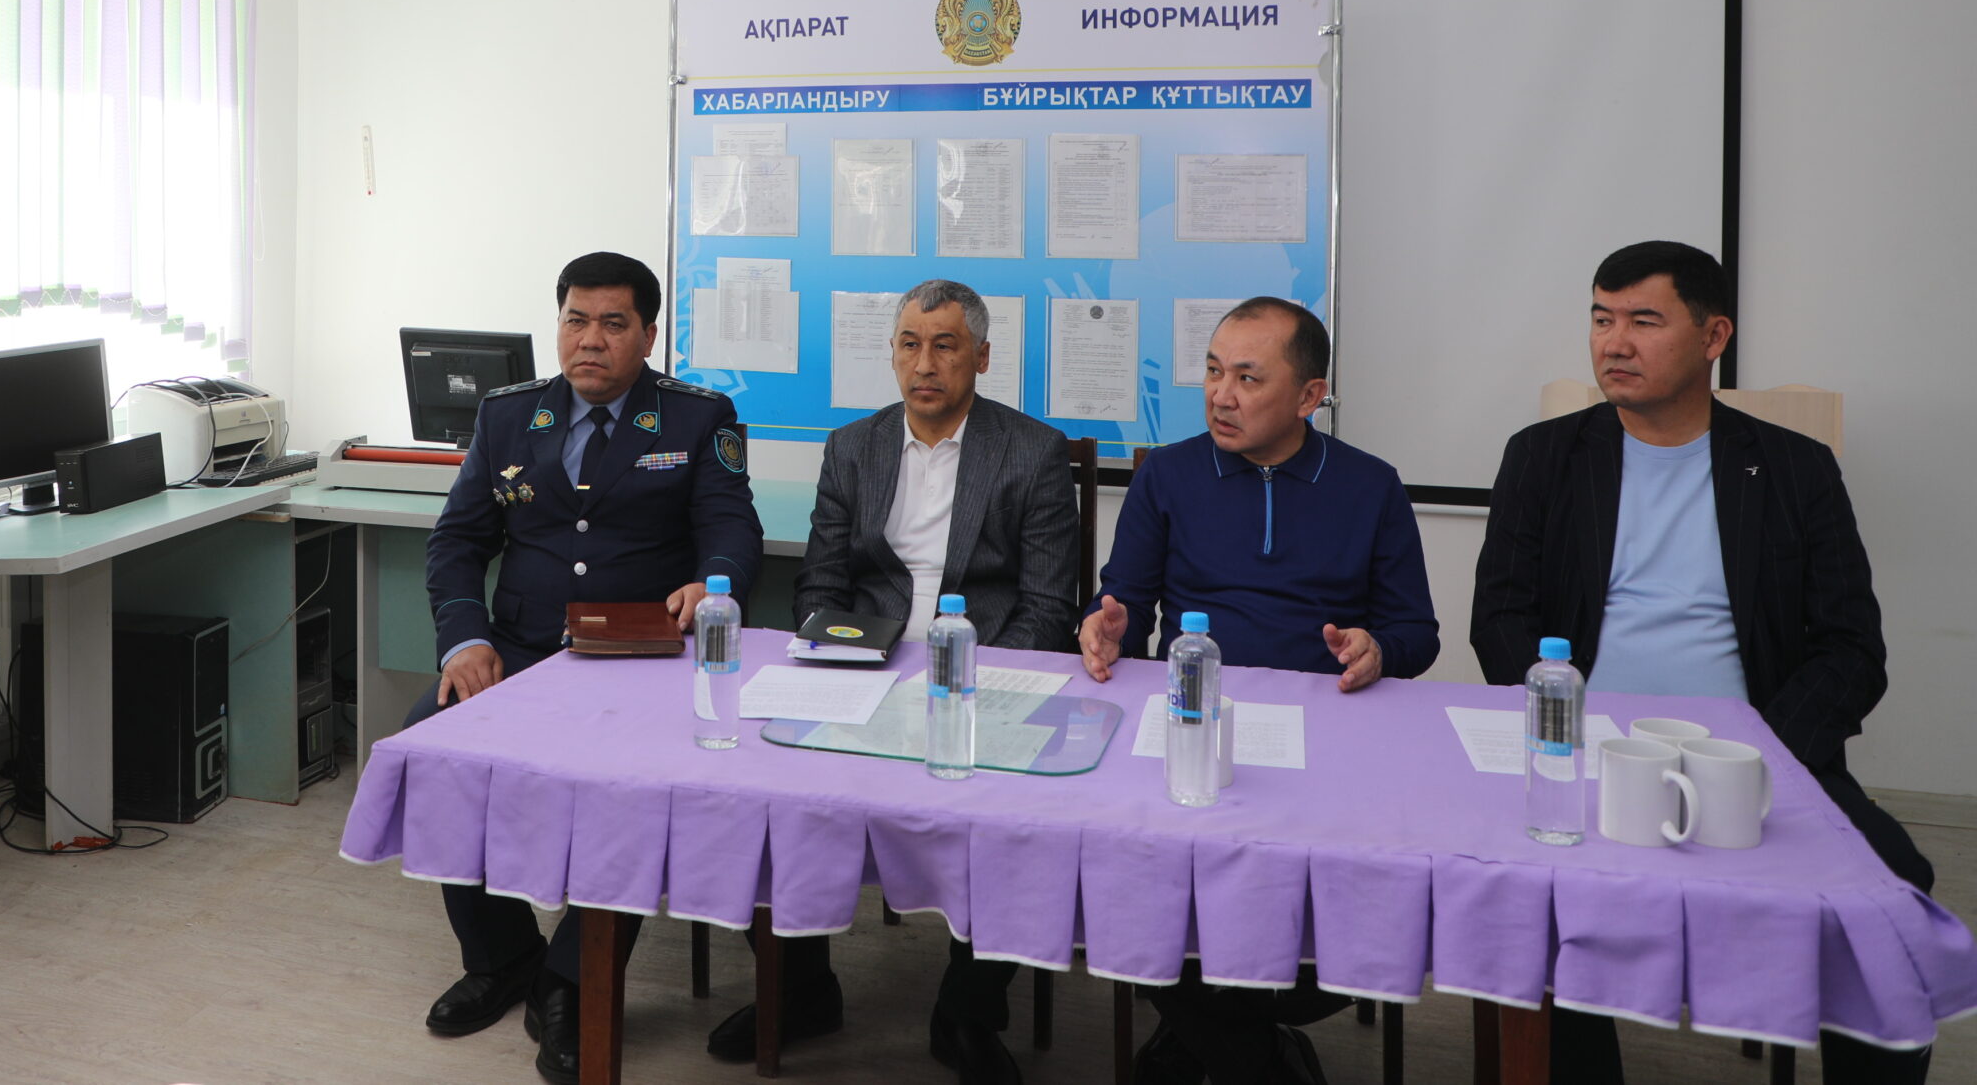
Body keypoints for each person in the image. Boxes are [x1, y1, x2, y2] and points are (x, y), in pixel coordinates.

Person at [1471, 241, 1931, 1085]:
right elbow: (1500, 619)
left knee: (1896, 894)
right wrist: (1566, 734)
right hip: (1588, 757)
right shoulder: (1542, 456)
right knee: (1525, 902)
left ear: (1714, 335)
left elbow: (1851, 647)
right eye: (1602, 319)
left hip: (1760, 757)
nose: (1615, 343)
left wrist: (1765, 756)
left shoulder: (1794, 468)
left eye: (1644, 321)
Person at [702, 279, 1079, 1085]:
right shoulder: (854, 447)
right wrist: (831, 658)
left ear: (982, 356)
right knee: (766, 789)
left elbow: (1049, 608)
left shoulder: (1033, 452)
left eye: (945, 345)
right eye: (910, 344)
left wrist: (971, 687)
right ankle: (802, 988)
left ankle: (966, 1011)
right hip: (863, 667)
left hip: (981, 673)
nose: (925, 363)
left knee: (1010, 820)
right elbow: (820, 583)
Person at [406, 251, 764, 1085]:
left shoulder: (698, 417)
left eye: (612, 323)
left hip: (643, 654)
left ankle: (571, 980)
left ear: (648, 334)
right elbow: (457, 541)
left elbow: (731, 526)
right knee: (432, 743)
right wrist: (464, 639)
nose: (590, 339)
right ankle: (502, 956)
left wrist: (713, 586)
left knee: (632, 786)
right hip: (523, 651)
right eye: (576, 319)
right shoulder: (507, 415)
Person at [1079, 297, 1438, 1085]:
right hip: (1192, 727)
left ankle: (1205, 1035)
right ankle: (1256, 1055)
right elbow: (1122, 604)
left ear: (1310, 395)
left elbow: (1417, 632)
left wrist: (1379, 649)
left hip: (1329, 741)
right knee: (1129, 878)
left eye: (1248, 377)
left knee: (1349, 901)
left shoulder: (1370, 485)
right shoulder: (1168, 474)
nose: (1220, 394)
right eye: (1212, 371)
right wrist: (1108, 626)